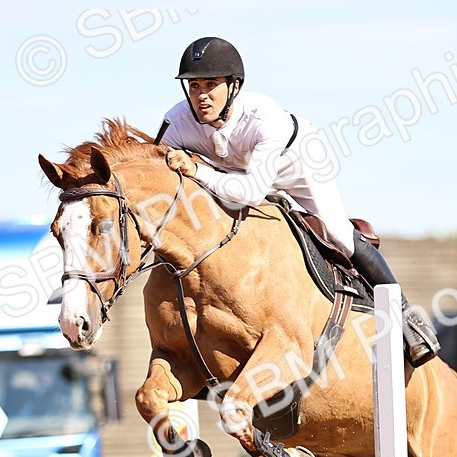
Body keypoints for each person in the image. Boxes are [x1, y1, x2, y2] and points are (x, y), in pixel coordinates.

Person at [158, 36, 440, 366]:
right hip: (236, 171)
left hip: (299, 164)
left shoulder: (264, 117)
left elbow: (250, 192)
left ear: (234, 86)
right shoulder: (176, 121)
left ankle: (407, 318)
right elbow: (159, 172)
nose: (201, 96)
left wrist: (198, 171)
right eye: (193, 86)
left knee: (337, 233)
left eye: (211, 84)